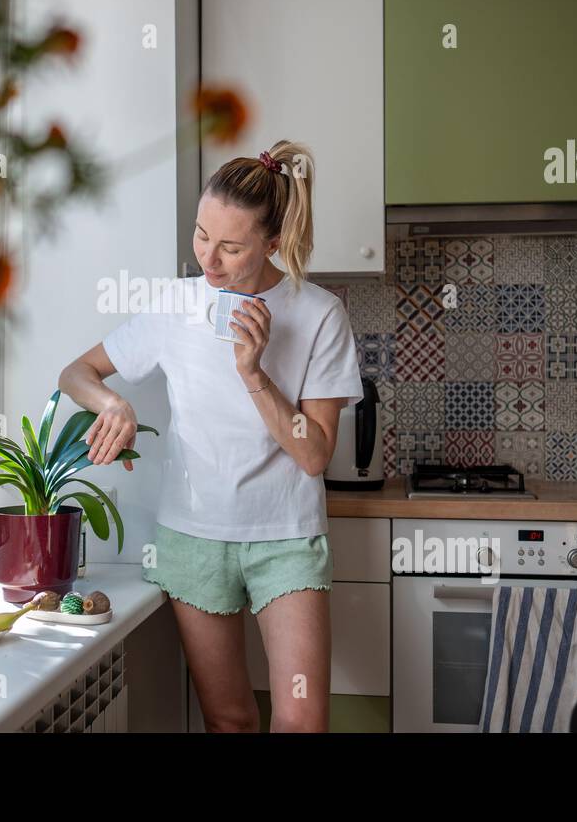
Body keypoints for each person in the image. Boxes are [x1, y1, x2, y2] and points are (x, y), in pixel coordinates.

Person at [57, 140, 363, 732]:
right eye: (201, 235)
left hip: (286, 539)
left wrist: (254, 373)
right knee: (228, 720)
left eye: (230, 246)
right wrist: (112, 402)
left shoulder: (319, 313)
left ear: (272, 243)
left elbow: (313, 453)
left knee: (302, 722)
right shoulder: (175, 306)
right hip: (193, 540)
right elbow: (76, 373)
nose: (209, 261)